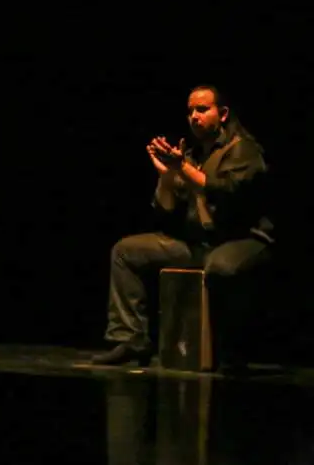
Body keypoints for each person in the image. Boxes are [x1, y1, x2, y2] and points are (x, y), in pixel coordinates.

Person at [91, 84, 274, 369]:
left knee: (221, 267)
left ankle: (231, 351)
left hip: (241, 240)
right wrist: (166, 174)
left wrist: (182, 168)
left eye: (202, 109)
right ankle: (130, 339)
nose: (194, 116)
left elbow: (226, 191)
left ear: (222, 114)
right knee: (126, 251)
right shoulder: (190, 153)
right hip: (198, 243)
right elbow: (166, 208)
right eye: (190, 111)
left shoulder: (243, 149)